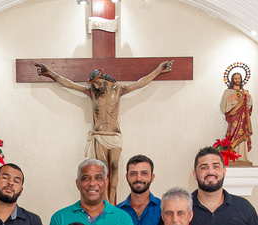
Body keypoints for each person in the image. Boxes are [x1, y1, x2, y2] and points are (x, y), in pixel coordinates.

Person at [34, 60, 174, 203]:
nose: (95, 86)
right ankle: (105, 200)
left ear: (103, 78)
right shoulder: (91, 92)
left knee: (114, 165)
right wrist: (49, 72)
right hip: (99, 135)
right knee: (102, 167)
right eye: (93, 83)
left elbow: (140, 83)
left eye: (97, 82)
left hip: (114, 135)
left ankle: (112, 199)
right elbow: (68, 83)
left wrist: (158, 70)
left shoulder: (118, 89)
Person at [189, 147, 258, 225]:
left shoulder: (244, 207)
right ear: (195, 174)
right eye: (204, 168)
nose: (210, 171)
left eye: (216, 166)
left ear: (224, 172)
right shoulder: (183, 208)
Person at [116, 154, 164, 225]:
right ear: (127, 177)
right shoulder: (116, 212)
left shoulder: (163, 209)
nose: (138, 178)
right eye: (133, 174)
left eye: (144, 173)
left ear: (152, 177)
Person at [220, 71, 254, 163]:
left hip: (243, 119)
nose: (237, 80)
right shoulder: (227, 92)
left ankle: (242, 157)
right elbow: (223, 108)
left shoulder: (244, 92)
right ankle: (232, 157)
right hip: (233, 119)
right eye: (235, 78)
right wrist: (230, 99)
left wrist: (248, 96)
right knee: (232, 135)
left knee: (242, 135)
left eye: (239, 78)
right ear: (232, 80)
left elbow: (248, 107)